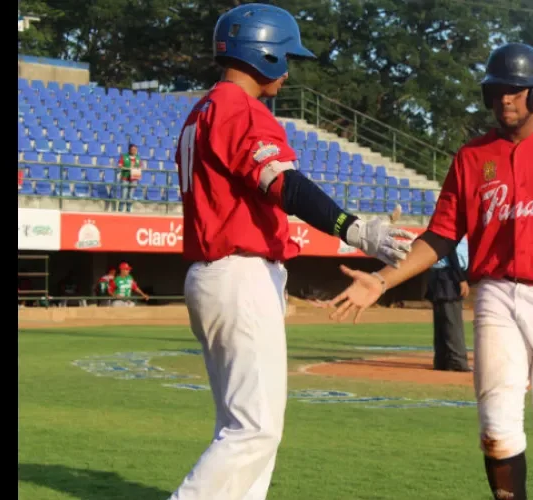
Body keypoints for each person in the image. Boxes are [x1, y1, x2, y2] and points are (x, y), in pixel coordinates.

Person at [327, 42, 533, 500]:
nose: (504, 101)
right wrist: (381, 279)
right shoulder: (473, 158)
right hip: (496, 292)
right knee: (496, 426)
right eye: (496, 92)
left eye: (515, 91)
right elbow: (439, 237)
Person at [167, 4, 414, 500]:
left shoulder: (203, 110)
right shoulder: (240, 108)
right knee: (254, 429)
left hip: (218, 273)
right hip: (239, 273)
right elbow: (284, 183)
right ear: (265, 54)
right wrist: (351, 228)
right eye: (286, 55)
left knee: (245, 429)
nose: (289, 65)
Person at [425, 237, 470, 372]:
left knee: (441, 321)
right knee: (452, 321)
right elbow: (452, 253)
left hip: (438, 274)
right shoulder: (453, 233)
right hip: (449, 275)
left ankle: (442, 361)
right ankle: (457, 361)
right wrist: (461, 278)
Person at [117, 143, 141, 212]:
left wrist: (137, 170)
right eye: (132, 149)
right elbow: (120, 165)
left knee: (131, 195)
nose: (134, 151)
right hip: (125, 178)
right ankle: (120, 210)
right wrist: (128, 168)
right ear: (129, 150)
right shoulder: (124, 156)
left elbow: (140, 166)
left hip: (134, 179)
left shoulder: (138, 157)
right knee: (124, 195)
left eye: (135, 150)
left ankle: (128, 209)